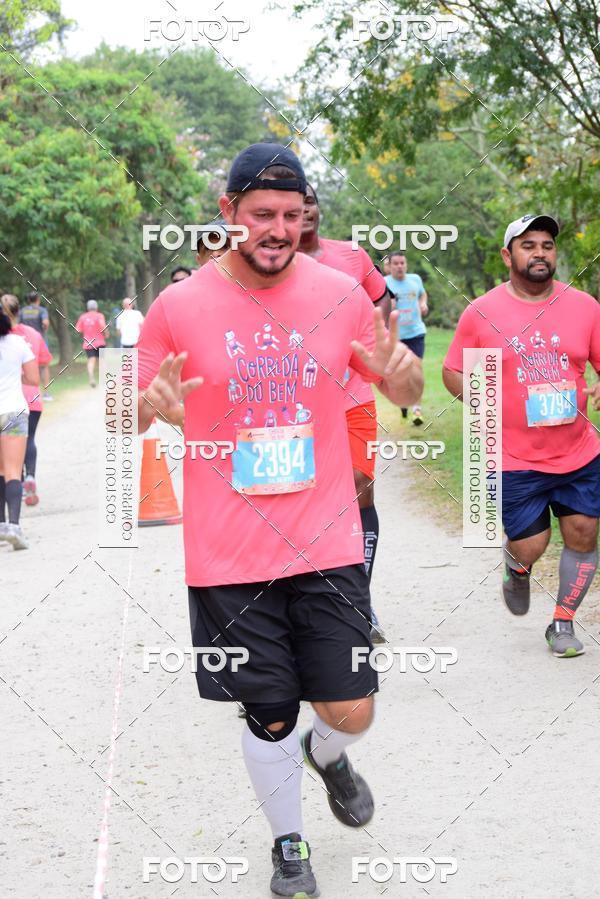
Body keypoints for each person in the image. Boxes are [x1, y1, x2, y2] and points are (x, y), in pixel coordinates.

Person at [137, 143, 422, 897]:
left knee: (351, 707)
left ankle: (327, 753)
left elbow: (403, 379)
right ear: (228, 212)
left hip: (325, 539)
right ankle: (288, 843)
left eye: (293, 216)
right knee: (267, 713)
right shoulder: (179, 305)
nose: (278, 229)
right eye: (262, 214)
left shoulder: (340, 292)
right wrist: (145, 407)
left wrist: (402, 374)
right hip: (229, 556)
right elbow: (120, 409)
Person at [443, 213, 600, 658]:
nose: (540, 253)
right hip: (515, 457)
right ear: (507, 255)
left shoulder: (585, 306)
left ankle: (563, 623)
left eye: (547, 245)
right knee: (532, 543)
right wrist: (480, 402)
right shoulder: (482, 312)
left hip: (579, 451)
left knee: (584, 532)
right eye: (528, 245)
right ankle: (517, 568)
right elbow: (453, 370)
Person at [299, 183, 393, 640]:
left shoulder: (352, 257)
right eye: (293, 205)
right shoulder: (264, 268)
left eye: (310, 202)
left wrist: (374, 342)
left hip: (354, 397)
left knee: (361, 490)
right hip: (293, 406)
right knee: (300, 504)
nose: (304, 211)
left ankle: (359, 603)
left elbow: (381, 299)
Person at [2, 294, 52, 506]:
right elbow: (44, 363)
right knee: (29, 439)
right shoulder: (32, 334)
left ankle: (18, 486)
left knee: (7, 454)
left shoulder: (5, 337)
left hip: (7, 401)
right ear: (18, 311)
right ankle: (30, 476)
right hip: (31, 398)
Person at [0, 306, 39, 550]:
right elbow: (33, 378)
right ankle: (14, 527)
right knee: (13, 470)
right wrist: (15, 376)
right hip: (13, 411)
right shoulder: (17, 342)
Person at [385, 252, 428, 424]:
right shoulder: (384, 282)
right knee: (398, 373)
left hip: (416, 333)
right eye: (395, 263)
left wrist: (423, 303)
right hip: (395, 336)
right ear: (389, 266)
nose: (399, 266)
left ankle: (417, 411)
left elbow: (422, 294)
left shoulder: (415, 279)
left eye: (402, 263)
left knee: (416, 369)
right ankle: (403, 402)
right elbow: (375, 304)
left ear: (406, 264)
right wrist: (388, 305)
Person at [19, 291, 52, 400]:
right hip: (40, 341)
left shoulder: (22, 311)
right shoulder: (42, 310)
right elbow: (45, 323)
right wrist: (44, 329)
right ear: (38, 299)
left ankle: (28, 394)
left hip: (24, 342)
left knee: (25, 367)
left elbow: (17, 324)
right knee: (43, 366)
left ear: (29, 300)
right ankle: (46, 393)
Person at [75, 300, 107, 387]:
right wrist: (106, 333)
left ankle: (91, 378)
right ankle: (103, 380)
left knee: (91, 360)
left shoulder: (83, 317)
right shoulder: (99, 315)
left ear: (88, 308)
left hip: (88, 343)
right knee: (102, 361)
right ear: (96, 307)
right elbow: (102, 325)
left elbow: (78, 329)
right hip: (100, 341)